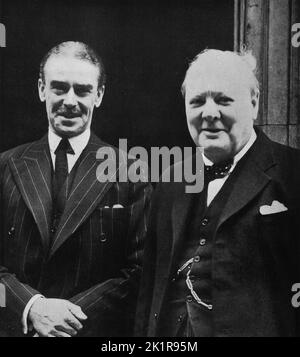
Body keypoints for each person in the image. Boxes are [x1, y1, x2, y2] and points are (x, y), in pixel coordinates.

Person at [135, 49, 300, 337]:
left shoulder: (293, 172)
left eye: (224, 100)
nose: (209, 113)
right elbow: (150, 287)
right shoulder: (171, 179)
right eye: (197, 101)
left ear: (254, 103)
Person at [0, 41, 152, 337]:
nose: (70, 100)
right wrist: (31, 307)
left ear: (99, 95)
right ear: (42, 89)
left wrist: (66, 320)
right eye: (59, 88)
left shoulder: (132, 173)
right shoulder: (4, 167)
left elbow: (141, 272)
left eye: (82, 90)